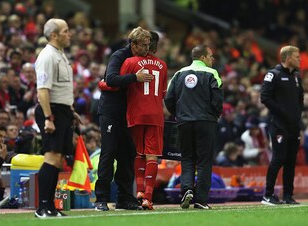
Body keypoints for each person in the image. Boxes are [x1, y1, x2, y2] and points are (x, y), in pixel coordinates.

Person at [95, 26, 153, 211]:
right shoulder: (119, 56)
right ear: (133, 44)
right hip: (112, 112)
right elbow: (110, 79)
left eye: (148, 45)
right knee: (109, 153)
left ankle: (124, 198)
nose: (147, 49)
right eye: (143, 45)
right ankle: (101, 199)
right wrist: (134, 78)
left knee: (127, 156)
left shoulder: (143, 59)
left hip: (130, 113)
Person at [164, 44, 223, 210]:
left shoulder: (178, 74)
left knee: (187, 158)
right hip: (206, 122)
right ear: (203, 57)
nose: (213, 59)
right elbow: (217, 99)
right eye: (211, 56)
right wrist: (214, 115)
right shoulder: (212, 73)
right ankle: (201, 200)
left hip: (184, 122)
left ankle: (187, 189)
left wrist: (178, 114)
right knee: (204, 160)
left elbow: (169, 98)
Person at [34, 18, 81, 218]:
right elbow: (42, 91)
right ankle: (42, 207)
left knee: (59, 160)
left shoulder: (61, 56)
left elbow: (62, 89)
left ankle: (51, 206)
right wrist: (48, 117)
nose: (69, 34)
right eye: (66, 31)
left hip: (62, 111)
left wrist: (71, 111)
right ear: (54, 35)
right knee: (51, 158)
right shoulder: (47, 56)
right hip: (51, 110)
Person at [120, 31, 167, 210]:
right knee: (152, 155)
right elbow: (163, 94)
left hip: (136, 113)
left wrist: (102, 83)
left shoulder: (130, 62)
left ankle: (139, 191)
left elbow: (118, 84)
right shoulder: (162, 65)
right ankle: (148, 197)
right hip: (155, 114)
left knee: (138, 153)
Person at [261, 45, 304, 205]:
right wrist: (282, 112)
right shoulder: (273, 74)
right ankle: (268, 194)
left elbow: (301, 98)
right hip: (279, 125)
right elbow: (265, 97)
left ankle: (288, 196)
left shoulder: (297, 77)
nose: (300, 59)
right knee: (278, 158)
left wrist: (297, 114)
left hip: (294, 126)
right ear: (287, 58)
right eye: (297, 56)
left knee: (291, 161)